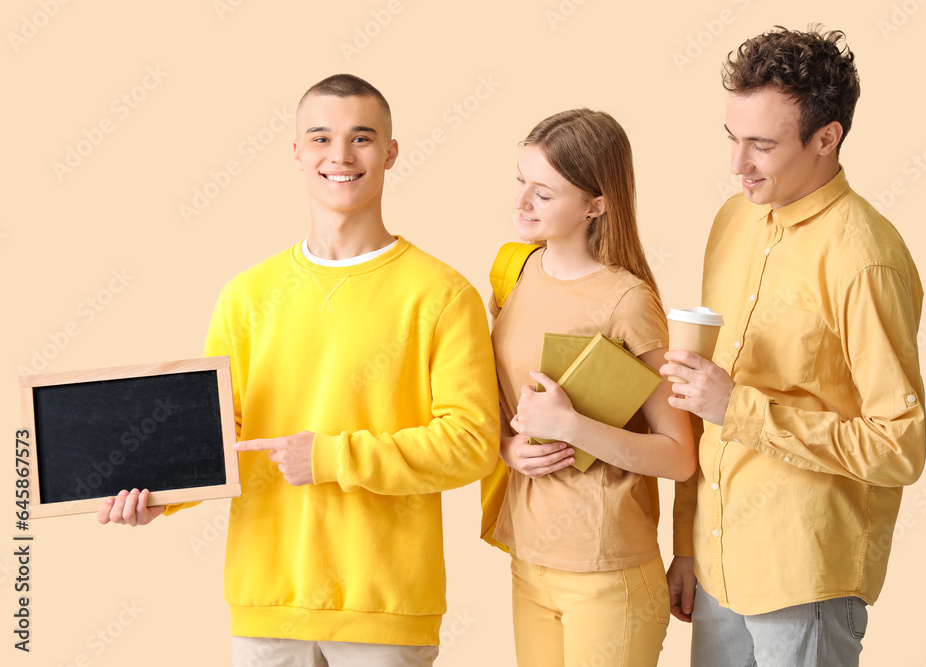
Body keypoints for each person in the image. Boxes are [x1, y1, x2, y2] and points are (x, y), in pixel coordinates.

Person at [97, 74, 500, 667]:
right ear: (296, 152)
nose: (340, 155)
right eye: (321, 138)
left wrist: (330, 457)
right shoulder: (246, 295)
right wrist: (165, 494)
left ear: (390, 152)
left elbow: (471, 445)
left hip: (383, 608)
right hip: (265, 600)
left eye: (361, 138)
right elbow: (218, 429)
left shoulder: (441, 295)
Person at [660, 26, 926, 667]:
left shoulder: (865, 259)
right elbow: (705, 394)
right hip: (719, 564)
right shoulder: (733, 220)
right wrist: (689, 544)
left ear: (826, 138)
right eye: (732, 138)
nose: (737, 164)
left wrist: (742, 408)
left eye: (762, 145)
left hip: (803, 576)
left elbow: (900, 447)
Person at [483, 108, 696, 666]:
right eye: (520, 182)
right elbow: (501, 409)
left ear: (596, 204)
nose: (521, 203)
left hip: (608, 570)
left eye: (544, 193)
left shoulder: (628, 301)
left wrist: (571, 426)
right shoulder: (513, 271)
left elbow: (679, 456)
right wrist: (509, 448)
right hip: (527, 556)